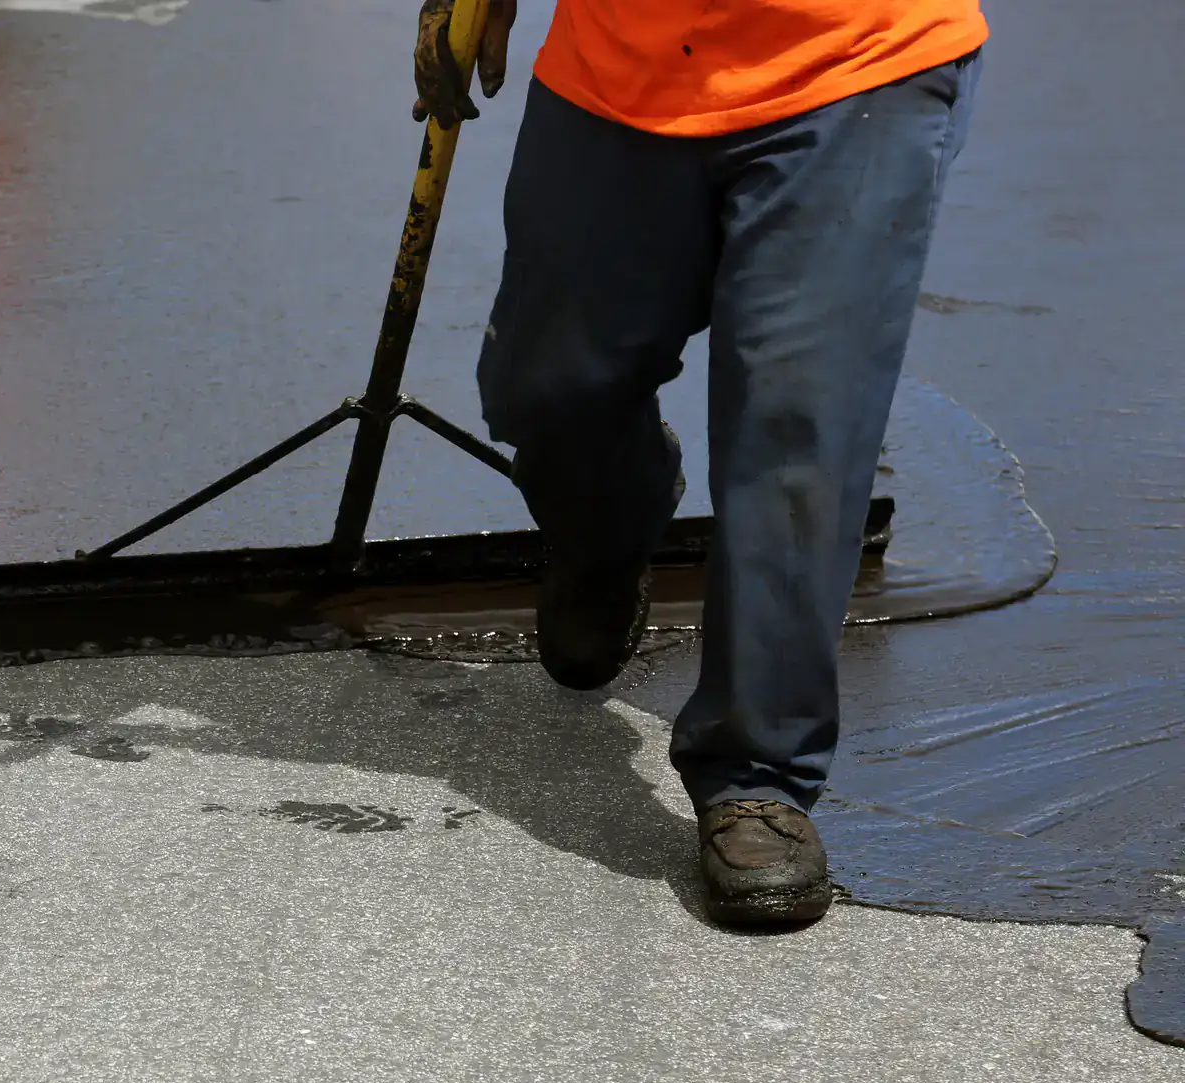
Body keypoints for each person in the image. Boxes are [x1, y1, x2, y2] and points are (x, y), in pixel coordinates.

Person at [413, 0, 985, 926]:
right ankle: (609, 528)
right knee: (548, 387)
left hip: (851, 66)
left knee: (795, 429)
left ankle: (758, 775)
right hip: (620, 67)